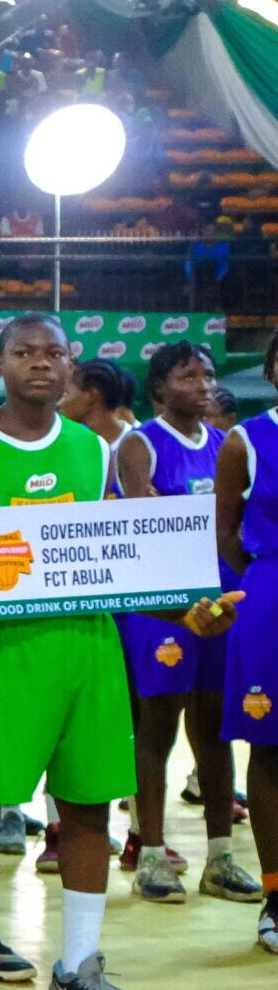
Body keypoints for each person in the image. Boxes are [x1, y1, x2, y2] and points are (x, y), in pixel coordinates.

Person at [0, 312, 230, 990]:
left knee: (86, 809)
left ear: (72, 368)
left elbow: (127, 564)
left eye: (54, 353)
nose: (40, 364)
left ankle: (78, 970)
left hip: (88, 652)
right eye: (24, 353)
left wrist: (185, 613)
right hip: (0, 655)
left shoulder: (93, 450)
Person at [117, 340, 250, 903]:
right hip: (162, 603)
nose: (202, 382)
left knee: (215, 726)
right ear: (159, 387)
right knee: (157, 726)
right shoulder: (139, 442)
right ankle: (150, 853)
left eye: (208, 373)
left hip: (218, 599)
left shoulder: (223, 443)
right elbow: (139, 520)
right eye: (186, 374)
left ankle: (220, 855)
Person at [213, 339, 278, 952]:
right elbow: (225, 534)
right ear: (271, 368)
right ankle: (276, 897)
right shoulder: (246, 440)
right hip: (270, 594)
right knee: (270, 746)